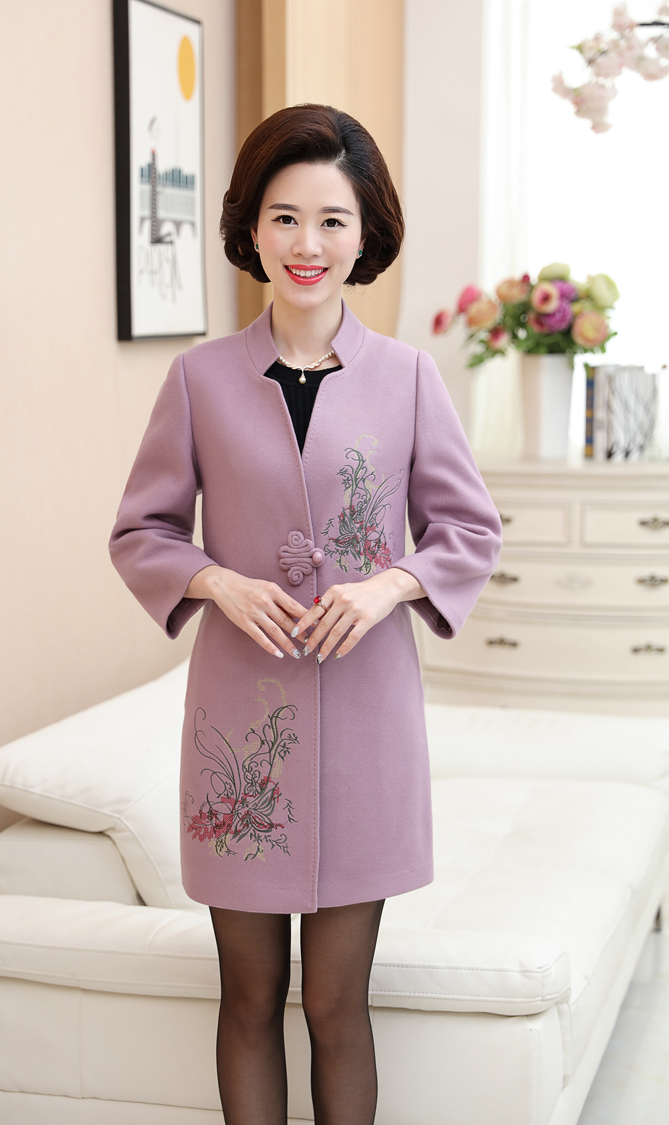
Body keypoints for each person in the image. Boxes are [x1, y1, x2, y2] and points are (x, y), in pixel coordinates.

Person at [109, 104, 502, 1125]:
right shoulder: (197, 379)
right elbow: (143, 530)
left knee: (335, 1004)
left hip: (368, 720)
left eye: (333, 220)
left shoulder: (409, 378)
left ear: (365, 234)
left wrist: (387, 585)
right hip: (241, 723)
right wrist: (217, 582)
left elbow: (469, 529)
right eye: (285, 217)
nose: (308, 243)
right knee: (247, 999)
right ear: (252, 228)